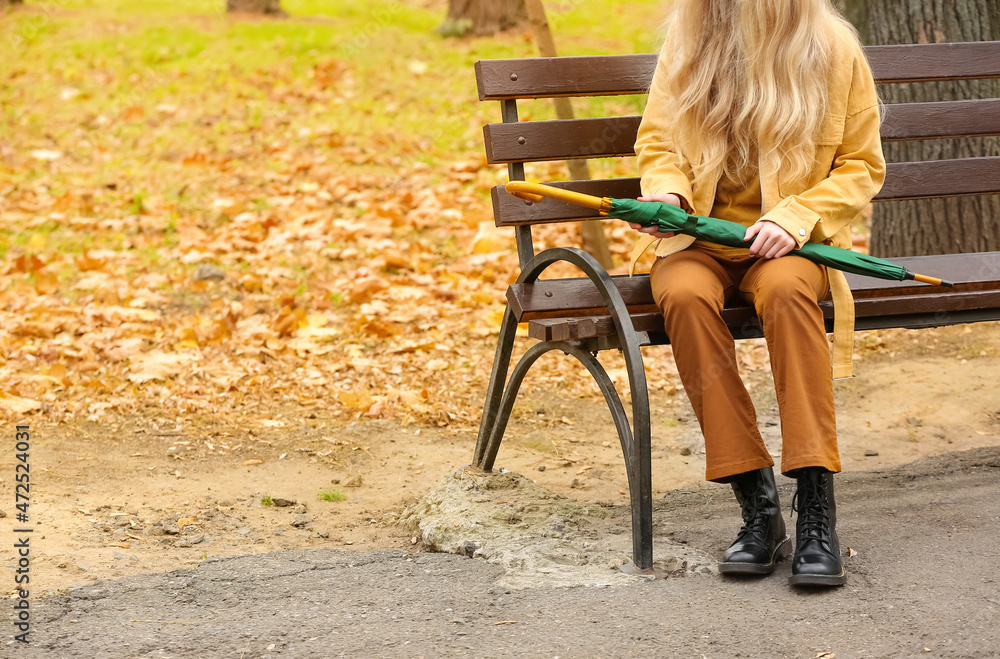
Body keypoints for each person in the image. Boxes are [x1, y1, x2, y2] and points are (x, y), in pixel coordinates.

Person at [629, 0, 885, 586]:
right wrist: (667, 196)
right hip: (697, 242)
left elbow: (860, 166)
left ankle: (816, 505)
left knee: (791, 295)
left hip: (789, 246)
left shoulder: (835, 49)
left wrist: (796, 215)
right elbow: (659, 143)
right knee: (686, 298)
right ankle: (757, 504)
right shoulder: (689, 43)